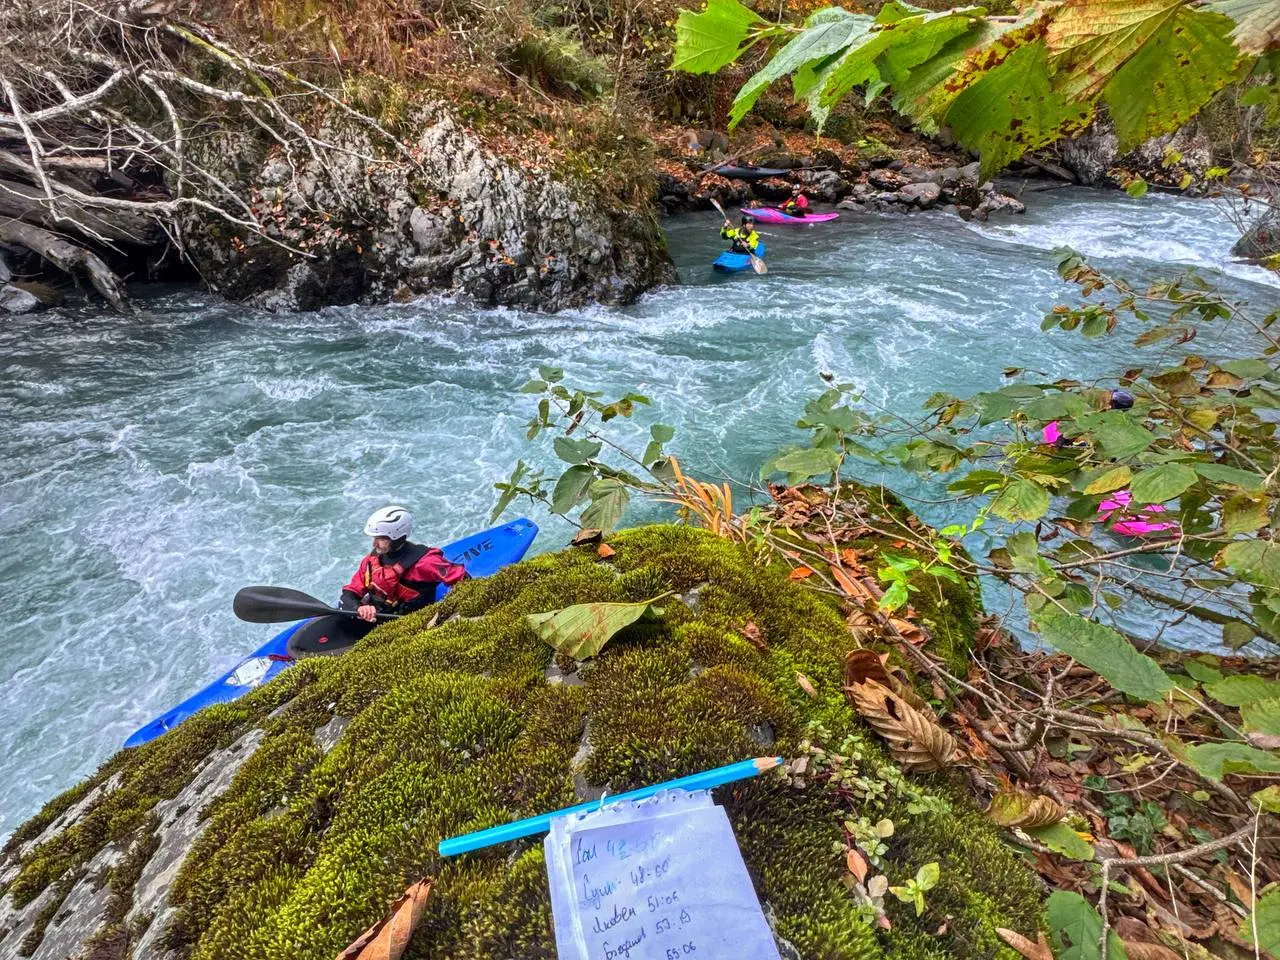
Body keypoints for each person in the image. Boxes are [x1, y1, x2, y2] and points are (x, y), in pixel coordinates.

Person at [339, 506, 467, 622]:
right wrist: (359, 608)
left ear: (397, 537)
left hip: (410, 621)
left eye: (381, 539)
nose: (374, 544)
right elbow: (350, 592)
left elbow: (463, 579)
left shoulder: (426, 563)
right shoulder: (370, 561)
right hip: (375, 618)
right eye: (374, 538)